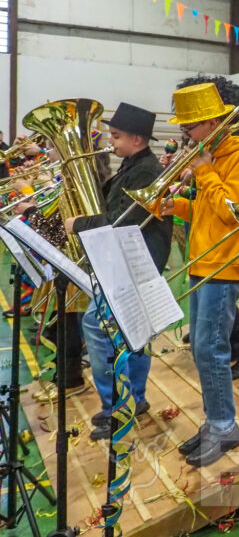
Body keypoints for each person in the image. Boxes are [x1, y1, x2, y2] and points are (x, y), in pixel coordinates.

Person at [160, 82, 239, 467]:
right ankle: (214, 420)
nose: (187, 135)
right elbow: (207, 211)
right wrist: (176, 206)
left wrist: (203, 172)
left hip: (224, 265)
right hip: (203, 261)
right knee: (202, 349)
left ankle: (224, 425)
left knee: (211, 348)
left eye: (191, 127)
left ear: (214, 122)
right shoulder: (213, 155)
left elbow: (234, 214)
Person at [64, 103, 172, 440]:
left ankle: (118, 405)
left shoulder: (146, 171)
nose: (110, 141)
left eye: (116, 135)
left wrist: (79, 223)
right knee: (132, 334)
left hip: (135, 263)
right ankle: (132, 399)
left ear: (137, 139)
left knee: (97, 327)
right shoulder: (133, 165)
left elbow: (124, 220)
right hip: (126, 261)